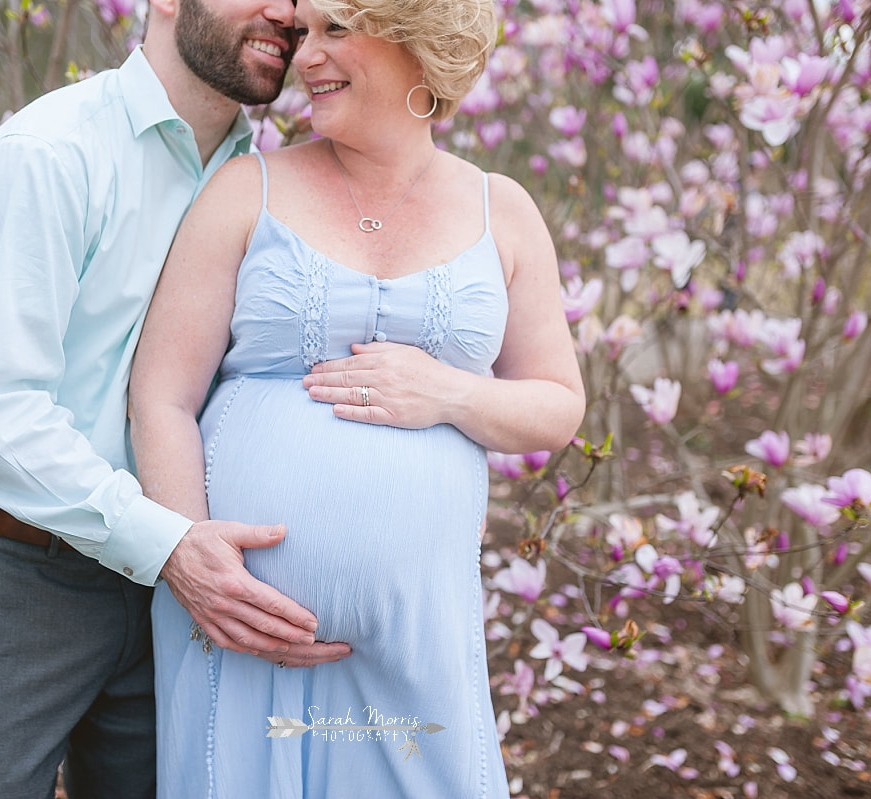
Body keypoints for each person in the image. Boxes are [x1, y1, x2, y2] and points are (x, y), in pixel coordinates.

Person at [127, 0, 587, 792]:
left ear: (420, 43)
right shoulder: (247, 188)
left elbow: (557, 403)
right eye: (305, 32)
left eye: (338, 29)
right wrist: (195, 561)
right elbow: (160, 395)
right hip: (239, 630)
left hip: (418, 641)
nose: (304, 56)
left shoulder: (501, 210)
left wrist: (446, 392)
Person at [0, 0, 353, 795]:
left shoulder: (262, 180)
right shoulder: (46, 155)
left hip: (182, 588)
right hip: (25, 574)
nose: (287, 14)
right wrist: (168, 545)